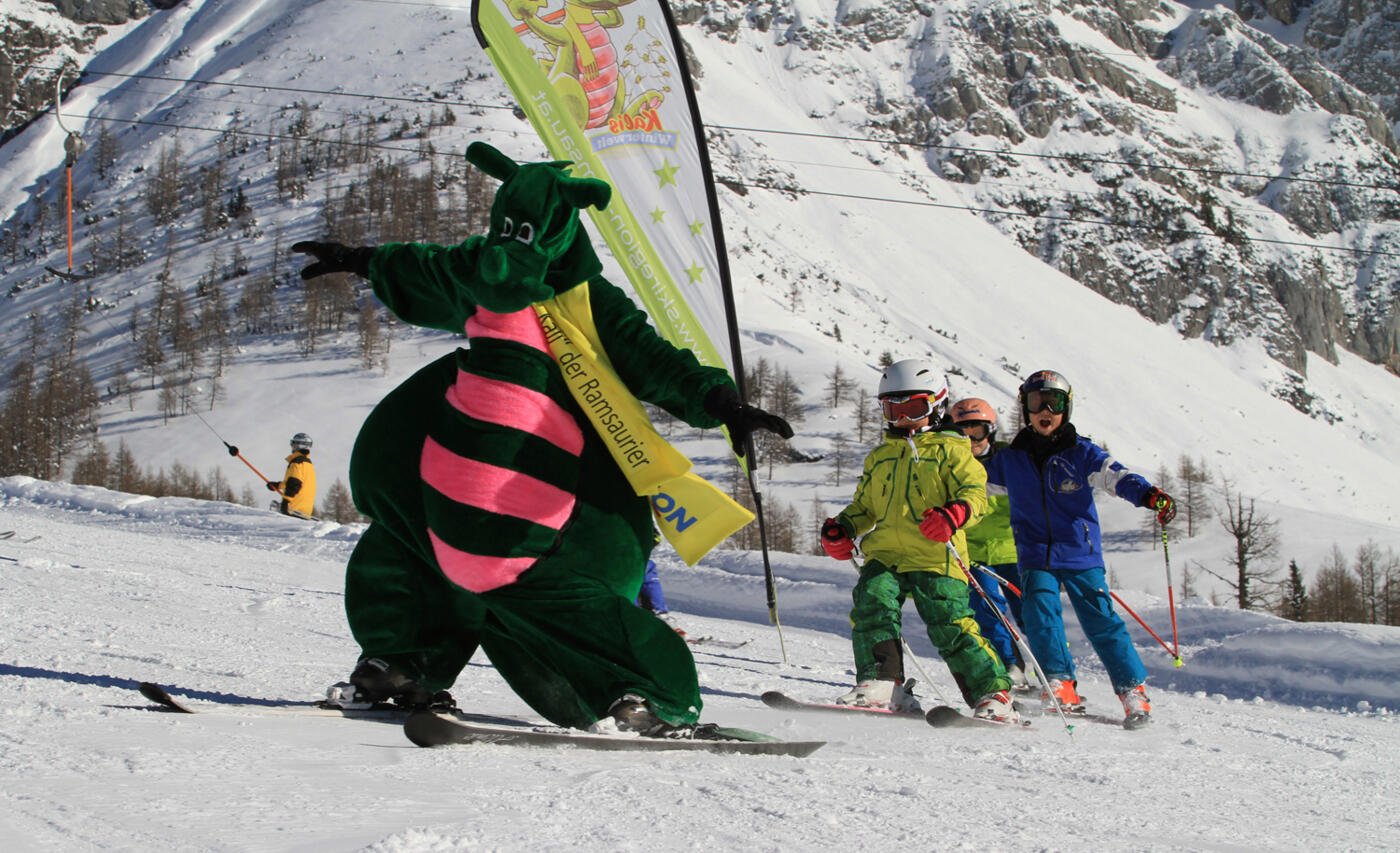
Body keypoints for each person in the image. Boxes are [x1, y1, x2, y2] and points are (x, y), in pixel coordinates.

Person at [294, 141, 791, 737]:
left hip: (575, 472)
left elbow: (649, 357)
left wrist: (720, 402)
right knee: (412, 539)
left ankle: (644, 691)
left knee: (573, 584)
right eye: (507, 230)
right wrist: (364, 259)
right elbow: (428, 272)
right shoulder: (484, 273)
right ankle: (402, 663)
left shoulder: (586, 301)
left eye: (527, 234)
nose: (510, 250)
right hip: (468, 447)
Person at [819, 358, 1017, 723]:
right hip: (888, 553)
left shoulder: (954, 450)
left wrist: (952, 514)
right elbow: (865, 506)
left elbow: (976, 495)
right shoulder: (881, 457)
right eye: (892, 409)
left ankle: (994, 694)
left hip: (937, 554)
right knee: (871, 604)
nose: (902, 418)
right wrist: (843, 528)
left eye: (913, 407)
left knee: (949, 623)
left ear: (937, 404)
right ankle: (882, 684)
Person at [982, 370, 1176, 727]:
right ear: (1026, 408)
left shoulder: (1081, 452)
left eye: (1054, 403)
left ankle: (1133, 690)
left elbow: (1118, 477)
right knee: (1040, 616)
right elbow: (974, 483)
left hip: (1079, 552)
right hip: (1034, 553)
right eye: (1037, 402)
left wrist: (1150, 495)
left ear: (1065, 408)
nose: (1046, 410)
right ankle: (1060, 683)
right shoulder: (1011, 459)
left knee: (1100, 620)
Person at [949, 397, 1029, 692]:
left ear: (990, 431)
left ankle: (1053, 670)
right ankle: (1011, 666)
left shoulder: (1008, 460)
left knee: (1028, 610)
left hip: (1013, 547)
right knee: (987, 609)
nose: (970, 441)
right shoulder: (952, 462)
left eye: (977, 432)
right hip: (973, 549)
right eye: (962, 434)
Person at [267, 432, 316, 519]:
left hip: (294, 508)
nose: (292, 446)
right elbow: (297, 483)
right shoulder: (308, 463)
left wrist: (286, 502)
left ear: (299, 445)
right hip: (305, 509)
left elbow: (294, 484)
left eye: (293, 444)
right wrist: (278, 486)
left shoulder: (297, 462)